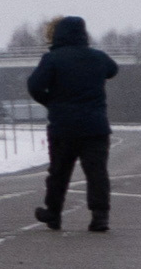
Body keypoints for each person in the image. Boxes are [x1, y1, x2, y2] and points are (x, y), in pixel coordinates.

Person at [30, 17, 120, 232]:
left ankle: (53, 213)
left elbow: (34, 85)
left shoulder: (52, 59)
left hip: (64, 126)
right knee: (97, 173)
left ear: (58, 35)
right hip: (95, 127)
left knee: (59, 172)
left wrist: (50, 101)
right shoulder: (98, 58)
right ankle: (100, 216)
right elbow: (113, 70)